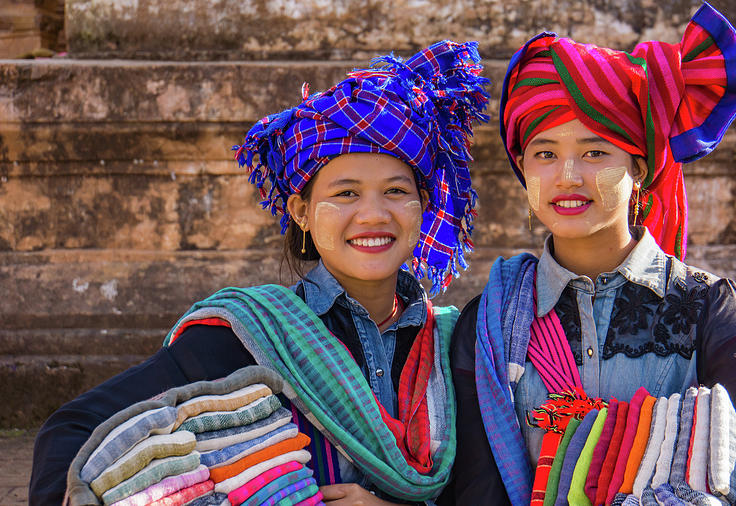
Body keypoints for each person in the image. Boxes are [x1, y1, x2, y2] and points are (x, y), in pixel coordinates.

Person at [30, 40, 489, 505]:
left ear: (422, 208)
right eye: (346, 193)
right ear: (302, 211)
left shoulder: (460, 344)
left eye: (394, 190)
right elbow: (71, 431)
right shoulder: (250, 337)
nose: (372, 215)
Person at [450, 4, 736, 505]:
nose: (568, 176)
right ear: (523, 168)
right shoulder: (489, 324)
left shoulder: (710, 309)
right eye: (545, 153)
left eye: (596, 152)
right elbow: (477, 488)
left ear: (640, 167)